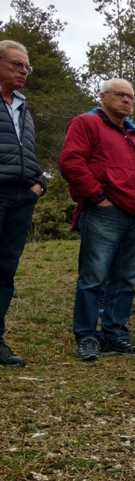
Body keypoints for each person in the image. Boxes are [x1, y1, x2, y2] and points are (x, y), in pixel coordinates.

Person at [58, 79, 135, 361]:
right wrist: (97, 196)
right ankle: (87, 336)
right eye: (120, 95)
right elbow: (71, 161)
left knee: (126, 278)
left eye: (130, 97)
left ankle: (115, 334)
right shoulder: (86, 123)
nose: (126, 100)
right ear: (102, 96)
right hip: (105, 211)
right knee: (93, 277)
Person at [0, 41, 46, 366]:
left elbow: (25, 150)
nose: (24, 71)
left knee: (5, 269)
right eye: (17, 64)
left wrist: (38, 183)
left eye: (27, 67)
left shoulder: (23, 107)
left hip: (21, 197)